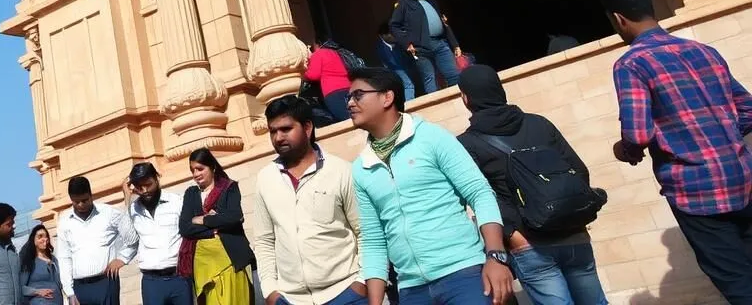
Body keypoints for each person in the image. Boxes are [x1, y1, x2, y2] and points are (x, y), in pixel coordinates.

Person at [604, 0, 752, 303]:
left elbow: (637, 134)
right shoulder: (704, 51)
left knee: (739, 284)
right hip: (743, 178)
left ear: (619, 19)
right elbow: (748, 109)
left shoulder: (631, 63)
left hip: (696, 192)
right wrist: (725, 137)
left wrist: (624, 151)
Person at [347, 67, 512, 305]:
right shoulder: (361, 167)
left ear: (387, 97)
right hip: (412, 290)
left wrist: (495, 256)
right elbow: (374, 240)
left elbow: (480, 193)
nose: (350, 103)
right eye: (349, 97)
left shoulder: (431, 137)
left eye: (358, 95)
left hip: (463, 274)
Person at [456, 64, 607, 305]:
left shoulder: (467, 143)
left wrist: (513, 235)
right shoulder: (539, 123)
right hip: (573, 234)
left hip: (529, 244)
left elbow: (483, 195)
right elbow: (578, 170)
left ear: (466, 98)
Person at [254, 95, 367, 305]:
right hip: (291, 299)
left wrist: (360, 284)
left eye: (286, 129)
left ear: (307, 128)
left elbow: (365, 232)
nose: (278, 137)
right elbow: (264, 240)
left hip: (345, 292)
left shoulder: (341, 171)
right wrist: (270, 291)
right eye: (273, 131)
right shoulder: (265, 178)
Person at [177, 148, 253, 305]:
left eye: (200, 168)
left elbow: (234, 217)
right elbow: (185, 228)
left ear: (212, 167)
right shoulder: (191, 193)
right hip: (204, 265)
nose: (196, 174)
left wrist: (203, 220)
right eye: (193, 170)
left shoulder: (228, 188)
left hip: (231, 261)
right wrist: (215, 228)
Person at [55, 176, 136, 305]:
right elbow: (64, 258)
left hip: (106, 282)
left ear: (91, 195)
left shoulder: (108, 213)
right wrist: (69, 292)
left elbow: (132, 238)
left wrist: (123, 258)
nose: (81, 205)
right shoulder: (64, 221)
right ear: (71, 199)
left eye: (84, 200)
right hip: (80, 287)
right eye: (76, 202)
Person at [129, 162, 193, 305]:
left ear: (157, 178)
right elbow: (129, 240)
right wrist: (127, 199)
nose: (145, 190)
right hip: (152, 282)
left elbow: (189, 231)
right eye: (139, 187)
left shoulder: (176, 202)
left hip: (179, 277)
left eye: (148, 184)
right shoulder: (133, 210)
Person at [389, 0, 463, 88]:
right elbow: (394, 25)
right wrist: (406, 43)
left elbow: (443, 21)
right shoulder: (403, 3)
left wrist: (455, 44)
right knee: (430, 79)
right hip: (420, 48)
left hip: (440, 43)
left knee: (454, 75)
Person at [305, 40, 354, 121]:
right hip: (347, 86)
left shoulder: (318, 54)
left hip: (333, 91)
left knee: (346, 119)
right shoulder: (334, 52)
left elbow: (314, 75)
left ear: (317, 45)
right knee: (353, 115)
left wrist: (303, 74)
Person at [376, 21, 421, 101]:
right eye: (392, 35)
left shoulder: (397, 40)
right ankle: (409, 106)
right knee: (408, 84)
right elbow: (390, 64)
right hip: (394, 68)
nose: (395, 37)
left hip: (404, 63)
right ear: (384, 36)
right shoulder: (382, 48)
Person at [20, 224, 64, 305]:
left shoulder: (54, 259)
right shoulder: (29, 261)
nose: (44, 239)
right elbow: (21, 288)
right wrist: (37, 292)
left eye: (46, 236)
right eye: (40, 236)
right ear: (33, 240)